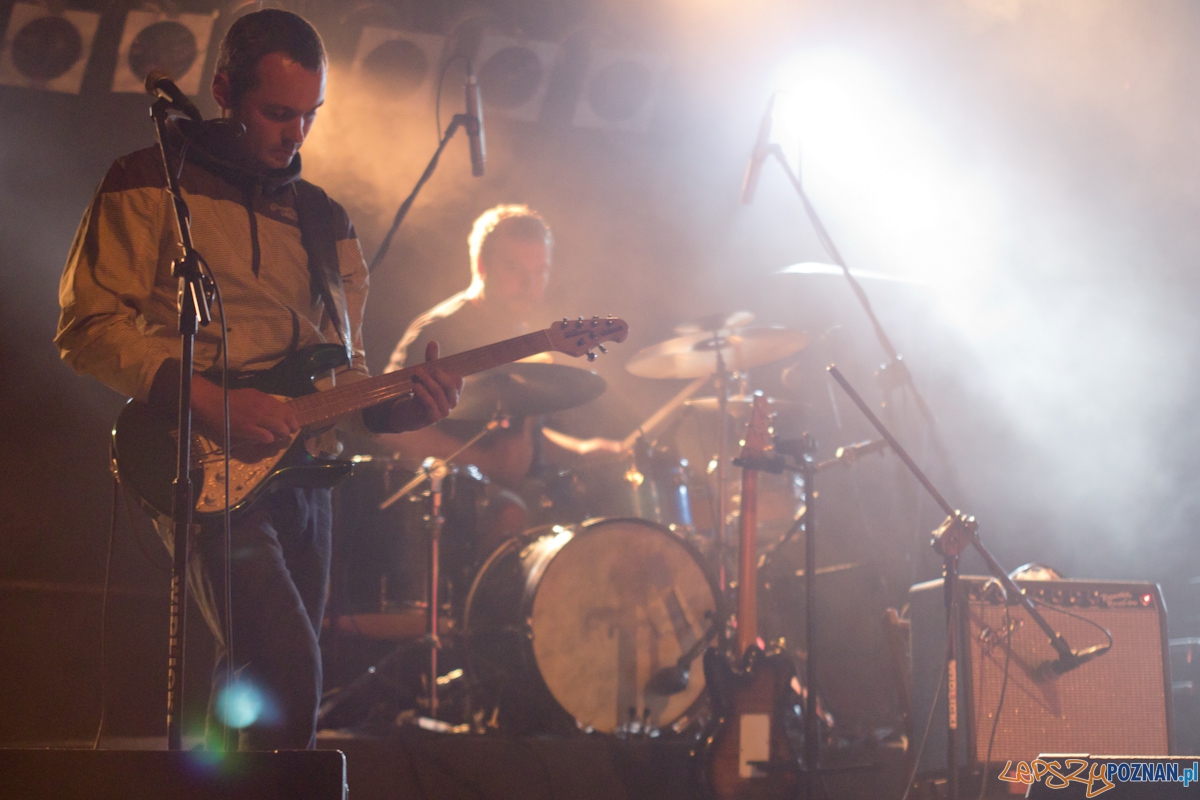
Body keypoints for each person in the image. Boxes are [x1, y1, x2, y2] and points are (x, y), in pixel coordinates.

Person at [55, 9, 462, 750]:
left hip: (305, 472)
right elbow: (89, 326)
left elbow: (346, 371)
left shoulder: (326, 219)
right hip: (197, 454)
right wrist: (212, 401)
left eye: (310, 115)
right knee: (286, 672)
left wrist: (397, 411)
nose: (295, 134)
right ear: (222, 91)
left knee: (252, 684)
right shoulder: (146, 179)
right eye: (277, 113)